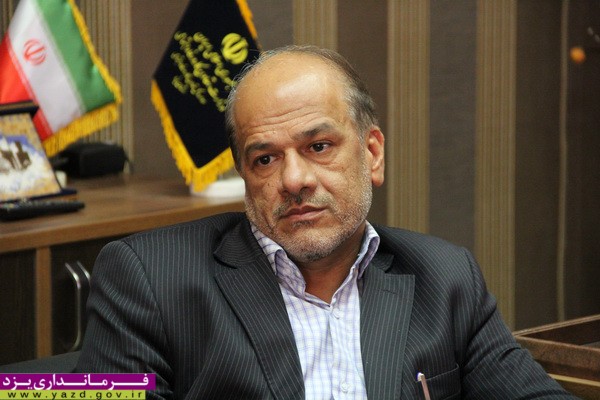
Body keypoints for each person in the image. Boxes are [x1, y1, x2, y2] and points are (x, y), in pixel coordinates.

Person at [76, 45, 578, 399]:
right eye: (265, 159)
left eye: (318, 146)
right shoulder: (148, 278)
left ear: (372, 153)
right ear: (245, 175)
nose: (294, 179)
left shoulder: (445, 279)